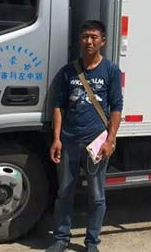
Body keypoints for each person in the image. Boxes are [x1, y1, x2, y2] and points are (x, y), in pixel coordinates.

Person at [46, 20, 123, 252]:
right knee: (64, 192)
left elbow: (117, 108)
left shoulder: (110, 71)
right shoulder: (68, 71)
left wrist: (110, 140)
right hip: (69, 140)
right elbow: (59, 106)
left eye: (93, 37)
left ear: (103, 41)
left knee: (97, 195)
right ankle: (61, 238)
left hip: (96, 142)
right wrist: (57, 139)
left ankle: (92, 242)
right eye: (85, 36)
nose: (89, 41)